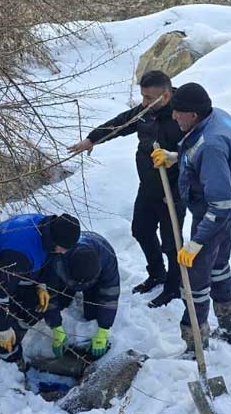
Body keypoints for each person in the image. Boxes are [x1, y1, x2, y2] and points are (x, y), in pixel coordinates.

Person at [68, 71, 187, 308]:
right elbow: (122, 122)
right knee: (141, 230)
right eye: (141, 96)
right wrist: (93, 139)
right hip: (149, 185)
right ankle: (157, 273)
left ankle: (174, 286)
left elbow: (196, 152)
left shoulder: (180, 115)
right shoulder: (146, 112)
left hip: (172, 190)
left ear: (165, 96)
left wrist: (175, 160)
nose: (142, 103)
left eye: (148, 97)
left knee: (171, 242)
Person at [149, 83, 231, 351]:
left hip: (213, 217)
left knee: (195, 280)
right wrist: (176, 156)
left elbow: (221, 203)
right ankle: (230, 326)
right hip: (220, 216)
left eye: (178, 112)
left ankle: (195, 343)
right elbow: (199, 152)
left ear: (193, 114)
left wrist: (197, 241)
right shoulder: (215, 118)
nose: (173, 117)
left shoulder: (212, 144)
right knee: (219, 266)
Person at [0, 213, 81, 364]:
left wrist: (41, 284)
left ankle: (16, 332)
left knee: (34, 304)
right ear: (54, 240)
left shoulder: (47, 229)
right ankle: (8, 359)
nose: (64, 252)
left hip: (12, 271)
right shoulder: (19, 252)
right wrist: (3, 328)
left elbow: (48, 258)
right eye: (63, 248)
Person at [41, 230, 121, 359]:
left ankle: (88, 289)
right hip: (67, 279)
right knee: (60, 303)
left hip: (92, 281)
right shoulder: (57, 258)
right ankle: (71, 289)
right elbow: (50, 294)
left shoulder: (107, 257)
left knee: (93, 315)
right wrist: (56, 327)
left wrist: (104, 329)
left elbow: (110, 294)